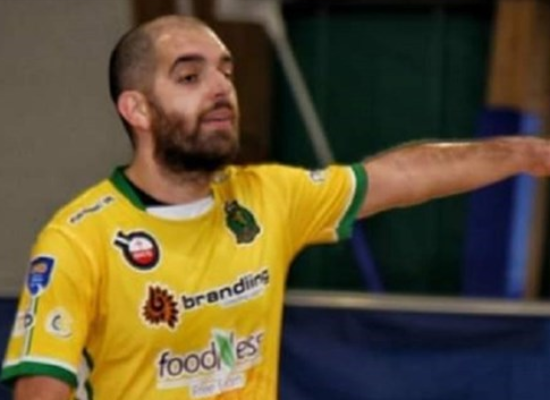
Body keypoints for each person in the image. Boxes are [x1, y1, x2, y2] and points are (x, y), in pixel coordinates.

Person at [2, 14, 550, 400]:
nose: (220, 88)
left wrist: (526, 153)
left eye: (225, 71)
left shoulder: (268, 197)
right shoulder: (78, 240)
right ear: (137, 109)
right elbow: (40, 390)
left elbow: (405, 175)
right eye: (190, 76)